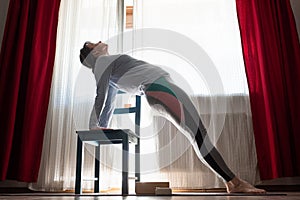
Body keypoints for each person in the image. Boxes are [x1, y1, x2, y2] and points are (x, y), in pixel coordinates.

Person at [79, 41, 266, 193]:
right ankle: (235, 182)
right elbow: (101, 95)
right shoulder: (102, 62)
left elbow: (109, 101)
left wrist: (101, 124)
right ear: (91, 54)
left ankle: (231, 182)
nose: (100, 42)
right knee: (199, 136)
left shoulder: (108, 67)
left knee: (198, 137)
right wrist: (94, 126)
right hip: (160, 89)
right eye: (93, 44)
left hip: (160, 89)